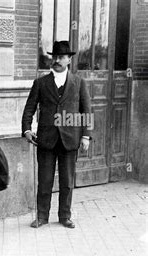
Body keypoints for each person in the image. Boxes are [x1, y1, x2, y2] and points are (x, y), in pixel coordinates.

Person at [21, 41, 92, 229]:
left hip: (70, 138)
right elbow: (29, 108)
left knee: (67, 181)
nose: (57, 60)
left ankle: (65, 216)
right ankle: (42, 216)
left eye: (61, 57)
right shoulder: (41, 83)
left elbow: (86, 110)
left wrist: (86, 136)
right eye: (55, 57)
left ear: (69, 60)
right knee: (44, 180)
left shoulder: (79, 83)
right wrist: (27, 129)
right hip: (46, 139)